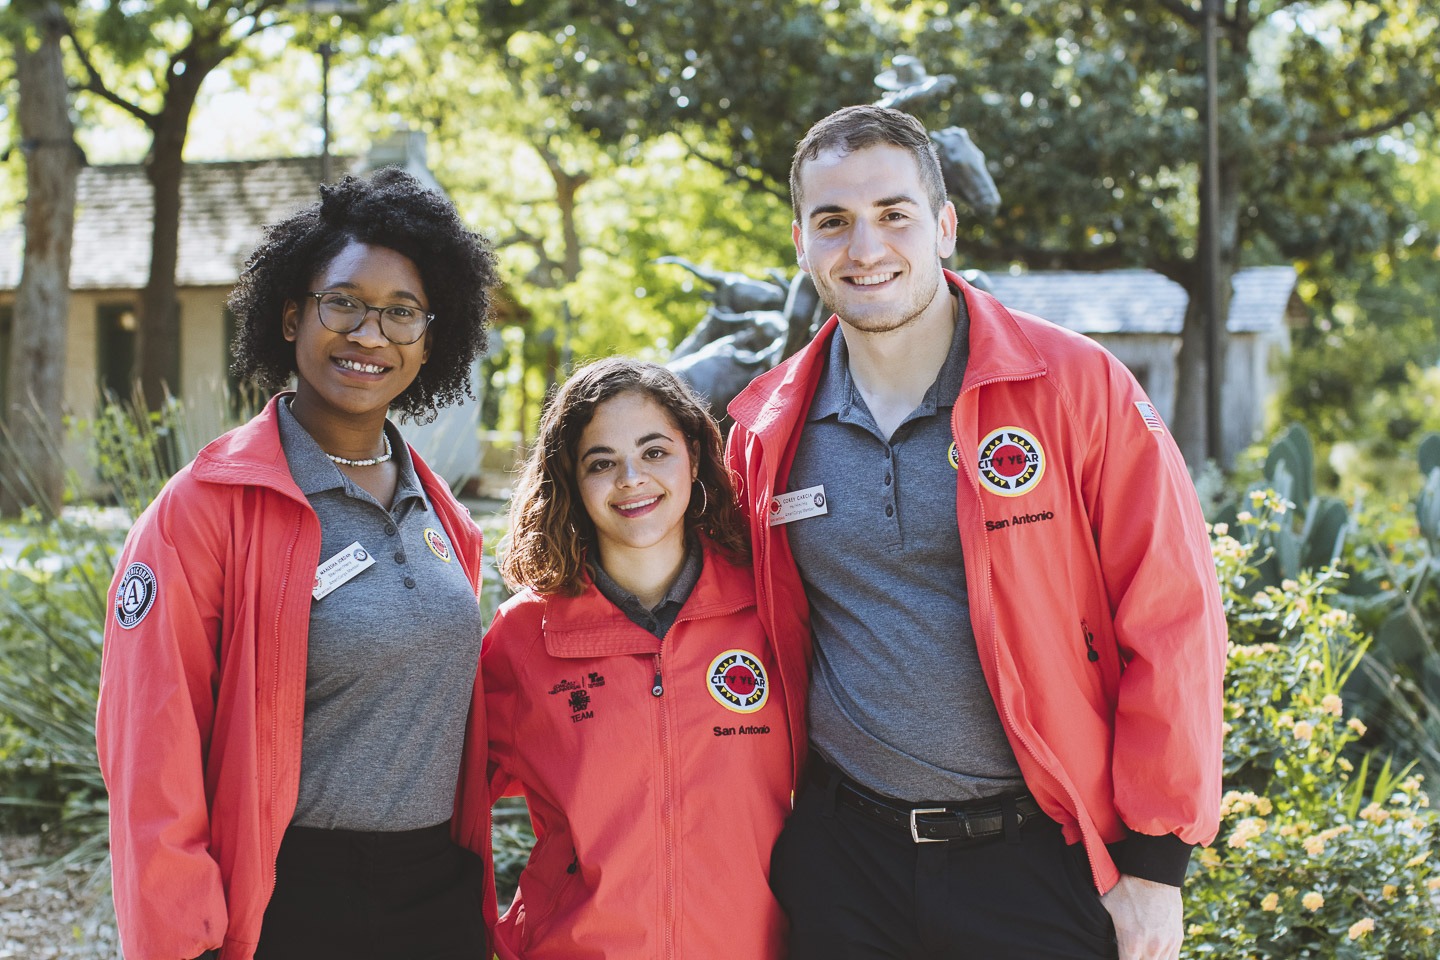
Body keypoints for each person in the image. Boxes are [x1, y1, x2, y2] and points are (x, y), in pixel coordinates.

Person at [725, 104, 1226, 960]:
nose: (865, 246)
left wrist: (1154, 864)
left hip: (1038, 859)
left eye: (894, 214)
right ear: (802, 244)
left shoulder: (1074, 386)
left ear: (945, 226)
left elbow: (1173, 613)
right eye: (833, 221)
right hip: (846, 867)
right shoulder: (766, 427)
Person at [96, 167, 499, 960]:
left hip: (439, 899)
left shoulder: (441, 514)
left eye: (401, 312)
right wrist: (187, 944)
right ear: (291, 314)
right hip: (290, 903)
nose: (369, 333)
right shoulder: (203, 512)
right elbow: (151, 757)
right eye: (343, 302)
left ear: (429, 338)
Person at [480, 357, 799, 959]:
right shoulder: (525, 635)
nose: (631, 477)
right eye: (601, 462)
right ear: (570, 480)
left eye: (655, 452)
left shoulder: (768, 609)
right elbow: (453, 808)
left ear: (696, 457)